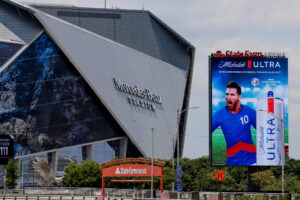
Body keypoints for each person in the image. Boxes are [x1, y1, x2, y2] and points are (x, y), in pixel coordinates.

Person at [212, 81, 256, 165]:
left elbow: (264, 130)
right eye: (227, 94)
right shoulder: (219, 115)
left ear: (239, 97)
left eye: (232, 95)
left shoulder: (249, 111)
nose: (228, 97)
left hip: (252, 161)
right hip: (232, 162)